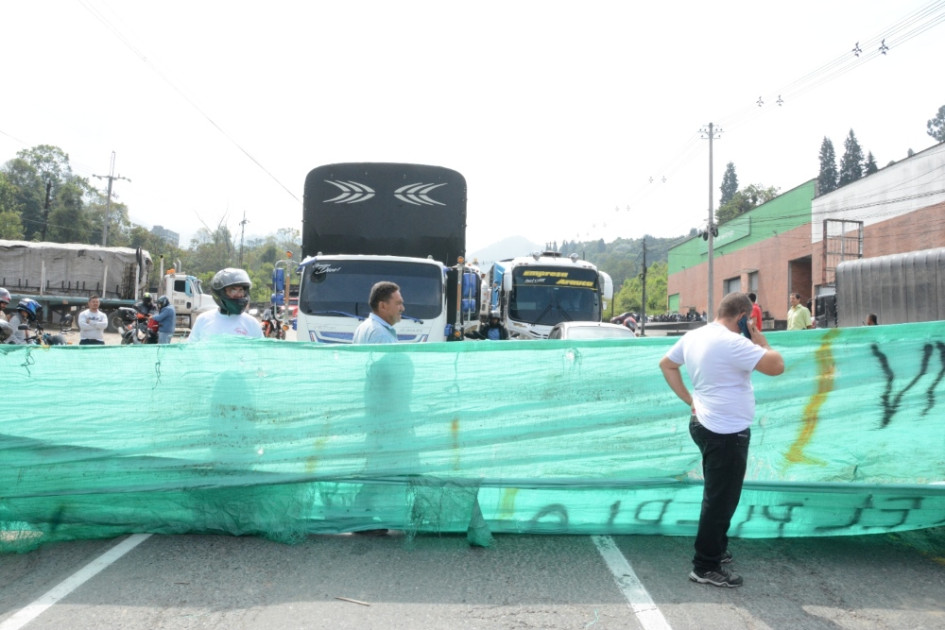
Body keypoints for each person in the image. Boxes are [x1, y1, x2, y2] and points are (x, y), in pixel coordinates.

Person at [659, 292, 784, 588]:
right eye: (749, 320)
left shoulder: (695, 336)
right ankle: (705, 565)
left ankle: (716, 548)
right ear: (743, 317)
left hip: (704, 424)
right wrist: (761, 340)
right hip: (726, 431)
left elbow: (667, 364)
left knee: (719, 494)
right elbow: (776, 366)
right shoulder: (733, 343)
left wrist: (690, 399)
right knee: (720, 499)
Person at [188, 268, 263, 342]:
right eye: (233, 290)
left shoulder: (252, 323)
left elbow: (260, 348)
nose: (238, 295)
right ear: (220, 293)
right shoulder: (203, 320)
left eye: (241, 290)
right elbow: (191, 346)